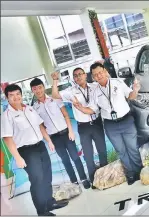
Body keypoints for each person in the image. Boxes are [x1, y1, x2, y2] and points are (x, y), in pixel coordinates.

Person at [1, 84, 68, 216]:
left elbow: (40, 126)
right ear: (7, 98)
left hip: (40, 146)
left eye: (17, 94)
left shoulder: (29, 109)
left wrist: (48, 141)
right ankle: (42, 211)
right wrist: (18, 157)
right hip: (27, 151)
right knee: (37, 179)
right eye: (11, 95)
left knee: (47, 175)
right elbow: (7, 139)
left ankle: (50, 202)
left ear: (21, 94)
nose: (15, 97)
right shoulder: (6, 116)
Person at [72, 62, 143, 185]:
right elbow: (92, 109)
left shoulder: (118, 82)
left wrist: (135, 90)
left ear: (105, 71)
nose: (99, 76)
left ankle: (139, 171)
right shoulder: (95, 92)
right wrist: (80, 108)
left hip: (126, 120)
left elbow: (130, 96)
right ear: (93, 77)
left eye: (100, 72)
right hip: (111, 125)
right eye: (96, 75)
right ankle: (130, 174)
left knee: (132, 147)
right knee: (121, 150)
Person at [50, 68, 108, 188]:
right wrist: (55, 80)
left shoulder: (94, 87)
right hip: (83, 127)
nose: (78, 77)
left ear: (85, 75)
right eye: (75, 76)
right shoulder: (71, 91)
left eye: (80, 74)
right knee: (88, 155)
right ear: (74, 78)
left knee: (102, 151)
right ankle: (94, 181)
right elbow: (55, 95)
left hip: (96, 123)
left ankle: (106, 177)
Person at [30, 78, 91, 189]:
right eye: (35, 89)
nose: (38, 91)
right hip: (54, 138)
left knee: (75, 157)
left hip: (66, 134)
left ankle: (83, 179)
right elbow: (41, 127)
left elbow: (66, 115)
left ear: (43, 87)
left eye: (40, 87)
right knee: (65, 160)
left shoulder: (55, 99)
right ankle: (74, 183)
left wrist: (71, 131)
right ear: (32, 91)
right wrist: (49, 141)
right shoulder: (34, 108)